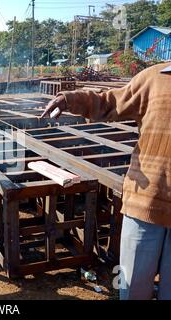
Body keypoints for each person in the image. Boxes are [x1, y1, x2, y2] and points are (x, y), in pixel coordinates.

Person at [41, 62, 171, 300]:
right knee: (133, 289)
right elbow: (110, 102)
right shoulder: (155, 78)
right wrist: (69, 99)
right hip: (146, 202)